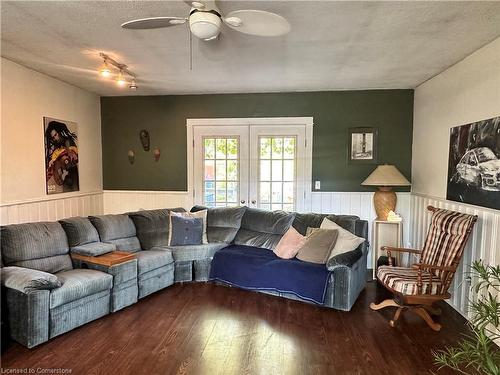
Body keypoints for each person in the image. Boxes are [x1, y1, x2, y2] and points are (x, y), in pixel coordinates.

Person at [44, 120, 79, 193]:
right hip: (65, 177)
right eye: (53, 137)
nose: (55, 138)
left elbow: (73, 159)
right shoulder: (57, 148)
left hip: (72, 175)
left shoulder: (68, 142)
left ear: (59, 132)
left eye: (55, 135)